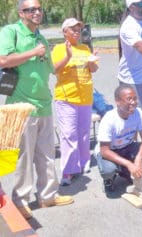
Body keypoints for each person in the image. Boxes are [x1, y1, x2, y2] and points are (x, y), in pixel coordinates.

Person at [0, 0, 73, 219]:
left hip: (43, 105)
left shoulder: (41, 38)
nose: (37, 12)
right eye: (31, 9)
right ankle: (21, 200)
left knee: (47, 154)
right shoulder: (11, 32)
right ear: (21, 13)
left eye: (39, 8)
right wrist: (33, 52)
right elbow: (3, 59)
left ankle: (48, 195)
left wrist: (68, 57)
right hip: (21, 106)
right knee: (23, 156)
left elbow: (51, 70)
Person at [51, 18, 99, 186]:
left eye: (79, 29)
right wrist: (68, 56)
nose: (77, 31)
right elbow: (54, 70)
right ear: (65, 32)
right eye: (73, 29)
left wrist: (92, 63)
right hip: (66, 98)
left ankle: (83, 163)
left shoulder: (85, 48)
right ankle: (68, 170)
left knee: (84, 134)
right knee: (69, 135)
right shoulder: (58, 48)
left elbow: (93, 70)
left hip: (85, 97)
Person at [95, 84, 142, 196]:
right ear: (118, 101)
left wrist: (138, 159)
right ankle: (109, 180)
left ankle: (129, 171)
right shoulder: (109, 119)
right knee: (108, 170)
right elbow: (104, 151)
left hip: (128, 146)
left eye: (135, 98)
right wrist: (129, 164)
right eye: (129, 99)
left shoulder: (138, 113)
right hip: (111, 151)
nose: (133, 102)